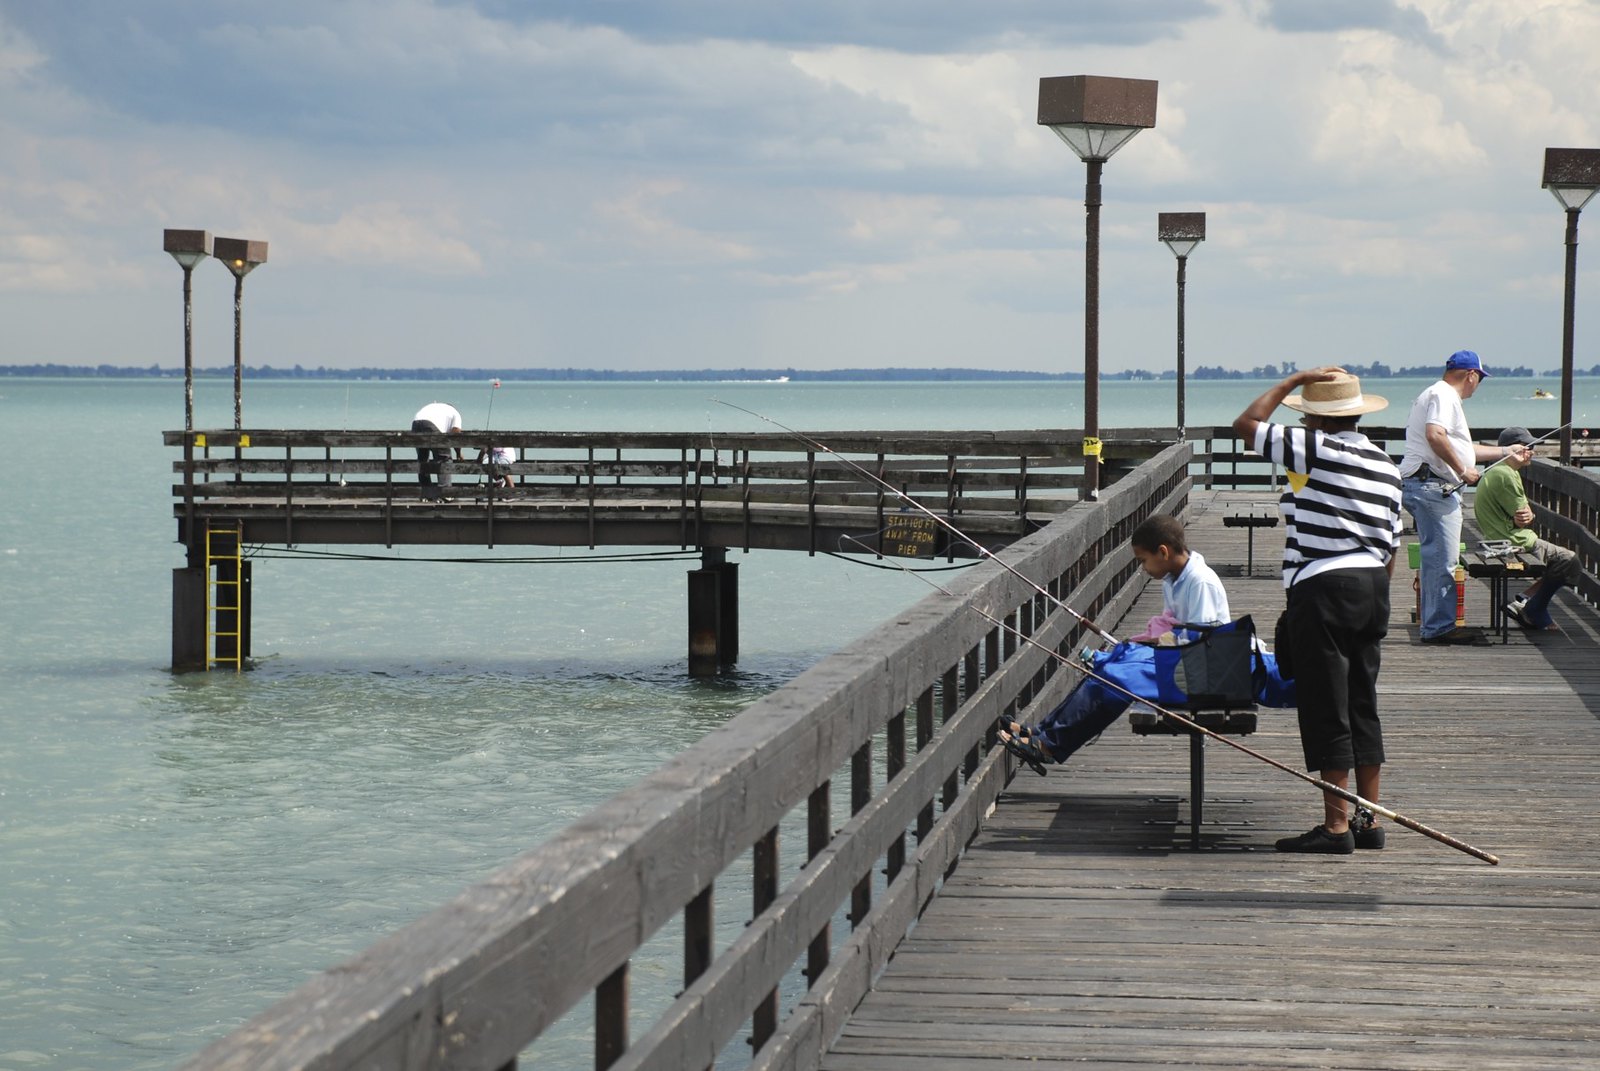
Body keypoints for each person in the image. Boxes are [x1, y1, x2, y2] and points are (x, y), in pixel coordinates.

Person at [1234, 366, 1403, 854]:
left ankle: (1335, 829)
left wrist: (1291, 381)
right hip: (1373, 587)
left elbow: (1246, 426)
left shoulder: (1315, 447)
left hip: (1324, 585)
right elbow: (1390, 548)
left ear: (1315, 417)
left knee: (1327, 705)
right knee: (1361, 703)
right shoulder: (1386, 466)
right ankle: (1367, 820)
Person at [995, 515, 1232, 768]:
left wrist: (1152, 648)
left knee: (1116, 677)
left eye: (1143, 561)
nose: (1143, 568)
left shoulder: (1200, 582)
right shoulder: (1173, 580)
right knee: (1108, 665)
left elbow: (1201, 639)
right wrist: (1141, 644)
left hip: (1203, 675)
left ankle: (1049, 746)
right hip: (1182, 664)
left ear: (1163, 552)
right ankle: (1043, 732)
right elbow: (1173, 627)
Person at [1397, 351, 1508, 646]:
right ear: (1471, 374)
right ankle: (1438, 628)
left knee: (1439, 558)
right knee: (1441, 561)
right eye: (1479, 379)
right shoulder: (1444, 395)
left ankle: (1439, 624)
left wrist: (1506, 452)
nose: (1478, 385)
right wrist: (1462, 471)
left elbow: (1461, 447)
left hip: (1427, 484)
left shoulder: (1438, 395)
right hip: (1432, 485)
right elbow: (1436, 435)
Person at [1473, 426, 1571, 630]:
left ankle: (1525, 600)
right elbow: (1524, 517)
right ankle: (1532, 609)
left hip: (1500, 536)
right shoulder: (1506, 475)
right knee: (1570, 561)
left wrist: (1527, 516)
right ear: (1512, 449)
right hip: (1511, 541)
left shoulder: (1496, 471)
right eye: (1527, 447)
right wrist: (1527, 516)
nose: (1531, 452)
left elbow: (1522, 516)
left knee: (1561, 561)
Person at [411, 402, 463, 501]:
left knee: (423, 460)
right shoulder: (455, 413)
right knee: (444, 459)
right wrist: (459, 453)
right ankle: (445, 492)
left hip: (416, 423)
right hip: (430, 425)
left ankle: (426, 494)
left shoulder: (438, 407)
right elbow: (456, 434)